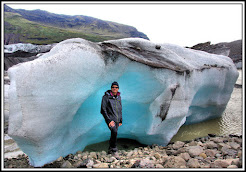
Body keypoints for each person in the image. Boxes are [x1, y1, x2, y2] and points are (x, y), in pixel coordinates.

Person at [100, 81, 122, 159]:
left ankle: (110, 149)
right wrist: (109, 120)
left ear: (118, 88)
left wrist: (120, 120)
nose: (114, 88)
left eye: (116, 87)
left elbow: (120, 108)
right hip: (110, 119)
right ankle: (114, 150)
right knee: (114, 131)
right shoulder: (106, 97)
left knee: (114, 134)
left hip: (117, 119)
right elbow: (103, 109)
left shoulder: (119, 97)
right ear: (111, 88)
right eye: (113, 87)